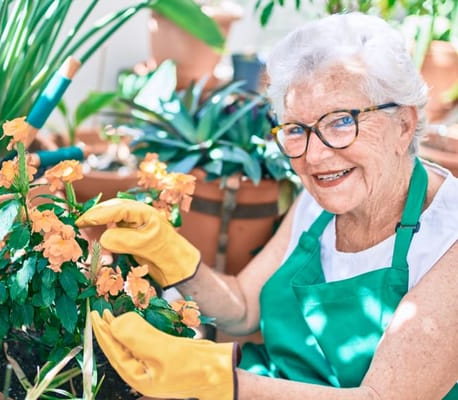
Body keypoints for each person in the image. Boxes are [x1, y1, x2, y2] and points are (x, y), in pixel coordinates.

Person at [76, 11, 458, 400]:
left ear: (405, 125)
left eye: (342, 121)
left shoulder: (450, 236)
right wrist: (173, 257)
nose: (315, 156)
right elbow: (242, 309)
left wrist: (217, 378)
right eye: (296, 130)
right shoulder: (323, 201)